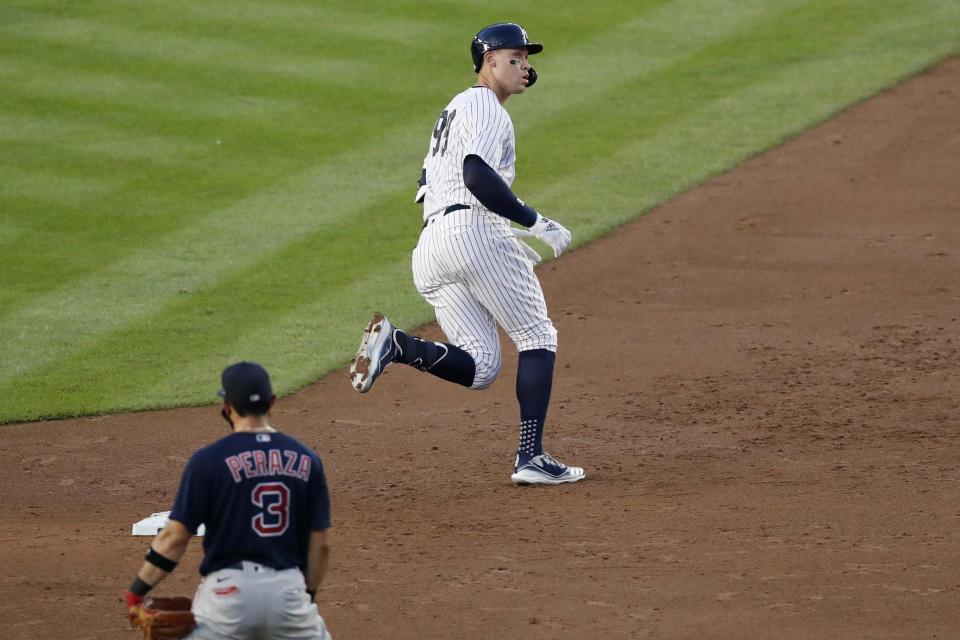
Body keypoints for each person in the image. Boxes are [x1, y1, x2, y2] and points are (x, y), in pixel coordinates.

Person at [349, 23, 584, 486]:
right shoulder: (485, 106)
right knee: (538, 336)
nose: (525, 65)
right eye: (514, 57)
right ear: (488, 62)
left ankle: (397, 344)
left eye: (527, 59)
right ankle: (531, 457)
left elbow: (425, 185)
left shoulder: (454, 110)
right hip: (474, 231)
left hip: (432, 247)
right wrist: (535, 221)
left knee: (482, 367)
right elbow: (476, 175)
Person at [123, 361, 333, 639]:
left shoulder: (207, 460)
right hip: (287, 591)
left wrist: (136, 592)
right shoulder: (308, 459)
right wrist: (305, 596)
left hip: (227, 595)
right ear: (272, 402)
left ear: (227, 406)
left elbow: (173, 539)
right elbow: (321, 546)